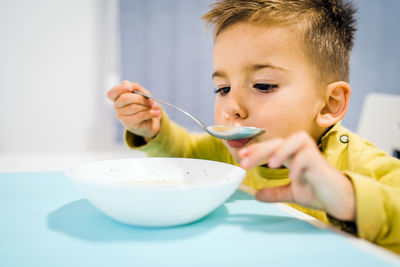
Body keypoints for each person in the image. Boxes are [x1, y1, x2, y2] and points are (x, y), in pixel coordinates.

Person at [107, 0, 400, 254]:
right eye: (222, 89)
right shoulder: (233, 154)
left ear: (328, 104)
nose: (232, 107)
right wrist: (154, 130)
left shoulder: (360, 163)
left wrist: (347, 197)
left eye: (263, 85)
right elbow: (186, 154)